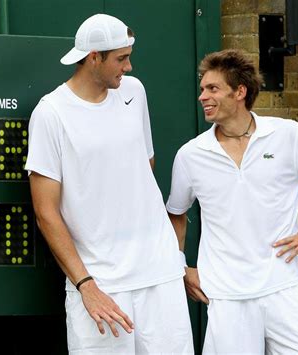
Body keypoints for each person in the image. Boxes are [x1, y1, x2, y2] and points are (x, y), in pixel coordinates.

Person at [25, 13, 193, 355]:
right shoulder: (50, 113)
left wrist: (174, 257)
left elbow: (144, 165)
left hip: (159, 274)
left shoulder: (134, 92)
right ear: (93, 58)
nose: (128, 67)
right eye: (121, 58)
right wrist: (86, 284)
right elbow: (46, 212)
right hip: (101, 284)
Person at [166, 48, 298, 354]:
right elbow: (176, 215)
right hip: (227, 299)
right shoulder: (190, 155)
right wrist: (181, 267)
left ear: (240, 92)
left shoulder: (289, 136)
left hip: (286, 291)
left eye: (212, 88)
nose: (202, 96)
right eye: (202, 89)